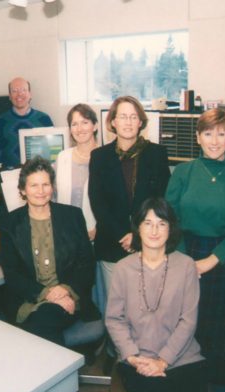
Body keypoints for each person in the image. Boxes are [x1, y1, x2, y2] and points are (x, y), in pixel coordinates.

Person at [166, 108, 225, 388]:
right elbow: (170, 218)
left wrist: (211, 260)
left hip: (224, 256)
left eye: (221, 133)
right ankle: (185, 373)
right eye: (208, 133)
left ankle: (211, 380)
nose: (215, 140)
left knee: (219, 320)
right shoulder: (183, 172)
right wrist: (185, 258)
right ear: (198, 137)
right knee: (185, 317)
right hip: (185, 249)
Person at [106, 197, 206, 392]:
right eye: (147, 223)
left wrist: (163, 361)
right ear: (137, 227)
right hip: (136, 359)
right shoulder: (122, 268)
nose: (153, 231)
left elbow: (188, 320)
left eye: (161, 224)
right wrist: (132, 356)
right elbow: (114, 319)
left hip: (181, 358)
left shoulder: (186, 266)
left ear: (170, 229)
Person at [0, 156, 100, 346]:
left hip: (69, 297)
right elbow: (11, 273)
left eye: (45, 184)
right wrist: (47, 294)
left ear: (52, 187)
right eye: (34, 185)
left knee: (40, 325)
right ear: (22, 190)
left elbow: (86, 264)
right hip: (29, 300)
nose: (41, 191)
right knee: (42, 322)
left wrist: (65, 290)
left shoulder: (72, 216)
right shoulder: (10, 223)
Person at [88, 95, 170, 308]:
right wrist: (122, 235)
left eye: (133, 117)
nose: (128, 122)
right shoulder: (99, 157)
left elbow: (161, 200)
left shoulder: (157, 154)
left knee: (147, 307)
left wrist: (138, 234)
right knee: (116, 309)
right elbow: (98, 203)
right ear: (113, 122)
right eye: (122, 116)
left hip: (148, 243)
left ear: (140, 122)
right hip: (112, 245)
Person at [55, 103, 97, 240]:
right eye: (74, 124)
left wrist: (98, 228)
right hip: (66, 234)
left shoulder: (105, 157)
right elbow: (53, 196)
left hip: (96, 234)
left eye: (85, 122)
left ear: (95, 126)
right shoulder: (62, 157)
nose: (79, 129)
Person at [0, 77, 54, 169]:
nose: (19, 94)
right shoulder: (0, 121)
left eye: (23, 90)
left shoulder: (44, 119)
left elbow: (51, 151)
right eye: (14, 91)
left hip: (38, 174)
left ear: (30, 94)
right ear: (9, 96)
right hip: (9, 175)